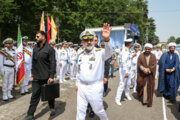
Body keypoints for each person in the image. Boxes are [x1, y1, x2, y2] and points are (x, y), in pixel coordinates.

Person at [76, 23, 113, 120]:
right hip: (82, 87)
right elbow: (79, 71)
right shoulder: (80, 54)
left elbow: (109, 53)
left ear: (93, 41)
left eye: (90, 40)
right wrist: (77, 83)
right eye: (85, 40)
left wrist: (107, 39)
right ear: (82, 42)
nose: (88, 42)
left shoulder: (100, 52)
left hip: (95, 86)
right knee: (80, 111)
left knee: (98, 110)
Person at [24, 31, 56, 120]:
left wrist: (51, 76)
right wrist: (33, 72)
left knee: (49, 94)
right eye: (36, 36)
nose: (36, 38)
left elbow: (53, 63)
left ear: (43, 37)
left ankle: (52, 107)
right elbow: (33, 62)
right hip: (37, 77)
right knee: (35, 95)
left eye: (37, 36)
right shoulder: (35, 48)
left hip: (47, 77)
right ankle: (30, 114)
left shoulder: (50, 49)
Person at [136, 43, 156, 107]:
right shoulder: (141, 55)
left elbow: (154, 65)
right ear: (144, 49)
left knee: (149, 87)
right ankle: (143, 99)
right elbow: (139, 64)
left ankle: (147, 101)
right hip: (142, 74)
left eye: (148, 49)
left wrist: (149, 70)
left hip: (150, 75)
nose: (147, 50)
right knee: (142, 86)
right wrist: (143, 69)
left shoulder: (153, 56)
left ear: (151, 49)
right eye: (146, 49)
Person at [115, 38, 133, 106]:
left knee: (128, 83)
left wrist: (131, 56)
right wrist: (126, 72)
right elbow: (123, 61)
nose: (131, 44)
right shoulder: (125, 50)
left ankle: (127, 94)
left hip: (129, 69)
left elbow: (127, 58)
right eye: (131, 43)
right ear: (129, 44)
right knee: (122, 84)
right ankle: (117, 99)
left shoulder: (127, 50)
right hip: (124, 70)